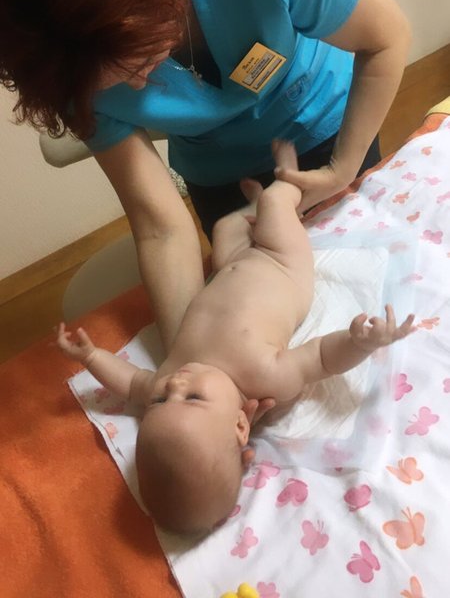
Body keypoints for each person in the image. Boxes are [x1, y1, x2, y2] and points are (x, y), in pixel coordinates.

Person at [0, 0, 411, 354]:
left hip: (328, 130)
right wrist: (188, 359)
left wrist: (341, 169)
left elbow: (386, 37)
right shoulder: (61, 67)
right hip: (220, 179)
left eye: (139, 61)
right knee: (257, 317)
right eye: (113, 83)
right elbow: (159, 227)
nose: (139, 86)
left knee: (368, 296)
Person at [57, 141, 415, 534]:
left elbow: (129, 383)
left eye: (159, 401)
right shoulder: (265, 377)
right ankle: (288, 181)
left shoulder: (166, 381)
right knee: (276, 206)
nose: (175, 385)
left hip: (230, 265)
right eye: (193, 398)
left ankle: (257, 205)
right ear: (240, 425)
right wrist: (361, 342)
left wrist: (91, 357)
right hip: (282, 262)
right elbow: (321, 358)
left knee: (225, 227)